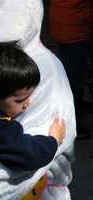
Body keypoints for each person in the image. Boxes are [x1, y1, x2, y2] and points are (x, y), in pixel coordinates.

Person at [49, 0, 93, 139]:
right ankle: (68, 123)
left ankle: (77, 104)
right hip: (73, 25)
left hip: (70, 22)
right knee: (72, 78)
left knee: (74, 74)